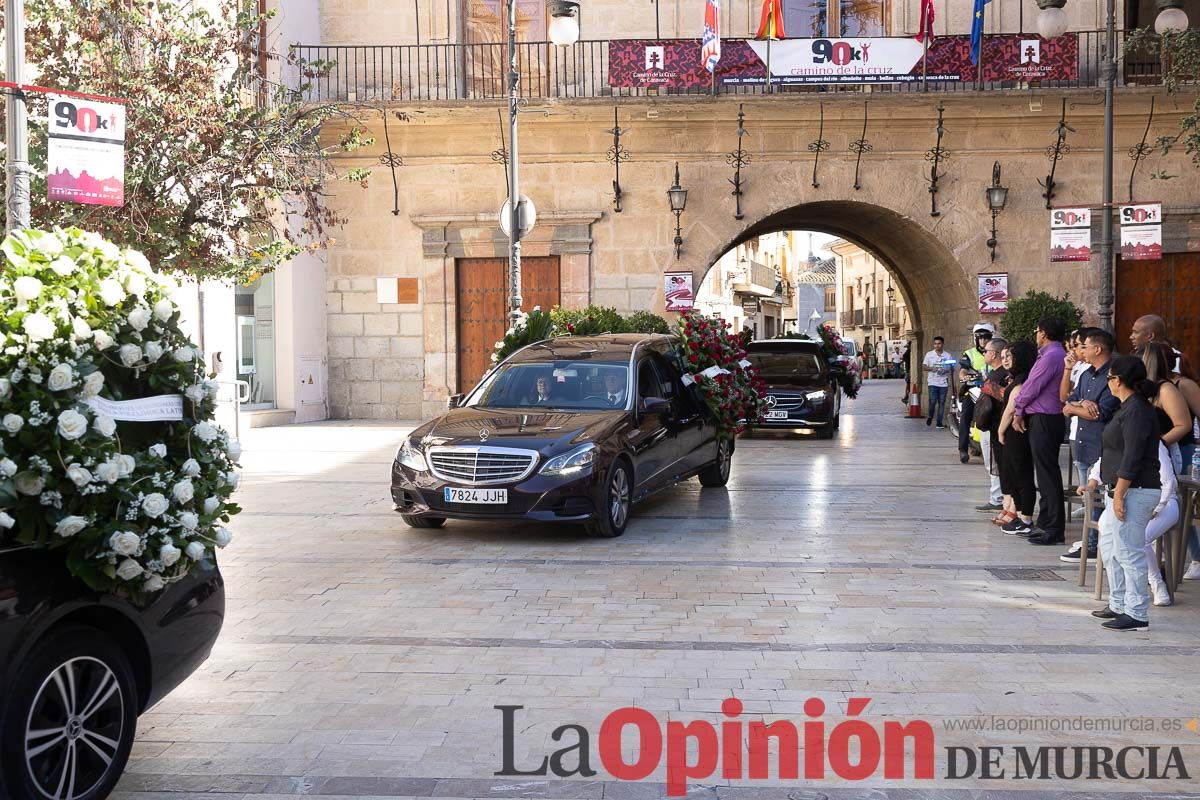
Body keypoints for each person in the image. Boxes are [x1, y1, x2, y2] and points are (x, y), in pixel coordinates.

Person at [1083, 355, 1162, 631]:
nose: (1108, 384)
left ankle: (1137, 612)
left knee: (1130, 551)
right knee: (1112, 547)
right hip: (1120, 490)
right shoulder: (1126, 408)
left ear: (1118, 380)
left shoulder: (1137, 411)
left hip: (1135, 490)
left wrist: (1119, 495)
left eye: (1109, 379)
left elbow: (1132, 457)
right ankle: (1118, 603)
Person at [1060, 329, 1119, 564]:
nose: (1079, 350)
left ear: (1097, 349)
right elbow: (1068, 399)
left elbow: (1101, 412)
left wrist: (1074, 408)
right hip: (1083, 442)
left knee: (1099, 498)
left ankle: (1096, 546)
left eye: (1083, 346)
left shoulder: (1112, 375)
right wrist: (1079, 404)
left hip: (1101, 443)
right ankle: (1091, 541)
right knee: (1088, 497)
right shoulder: (1086, 374)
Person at [1012, 317, 1068, 546]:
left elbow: (1032, 386)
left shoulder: (1052, 356)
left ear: (1043, 333)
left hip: (1046, 418)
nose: (1035, 335)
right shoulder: (1050, 355)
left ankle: (1054, 527)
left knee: (1047, 474)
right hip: (1044, 417)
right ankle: (1045, 521)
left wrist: (1018, 409)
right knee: (1044, 473)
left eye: (1037, 331)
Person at [998, 342, 1039, 535]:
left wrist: (1000, 429)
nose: (1006, 359)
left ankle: (1026, 518)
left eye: (1010, 356)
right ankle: (1021, 514)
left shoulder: (1023, 380)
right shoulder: (1017, 378)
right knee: (1013, 474)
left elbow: (1011, 408)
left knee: (1022, 475)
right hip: (1012, 435)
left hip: (1017, 433)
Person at [1140, 342, 1193, 474]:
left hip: (1169, 454)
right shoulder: (1144, 389)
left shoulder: (1166, 390)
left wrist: (1158, 445)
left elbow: (1184, 425)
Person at [973, 336, 1007, 514]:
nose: (984, 353)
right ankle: (998, 496)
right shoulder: (995, 372)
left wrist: (988, 389)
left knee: (994, 462)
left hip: (995, 425)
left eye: (986, 351)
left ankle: (998, 497)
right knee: (992, 462)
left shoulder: (1002, 374)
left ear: (994, 354)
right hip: (990, 425)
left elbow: (1007, 396)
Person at [956, 322, 995, 463]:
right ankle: (962, 449)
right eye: (980, 338)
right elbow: (963, 369)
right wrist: (964, 376)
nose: (983, 341)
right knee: (966, 415)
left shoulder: (997, 352)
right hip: (974, 389)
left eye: (986, 337)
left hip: (993, 390)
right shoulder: (969, 353)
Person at [1129, 314, 1194, 378]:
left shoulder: (1172, 359)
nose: (1131, 337)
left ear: (1151, 336)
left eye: (1136, 332)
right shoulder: (1139, 354)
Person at [922, 336, 952, 428]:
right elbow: (924, 366)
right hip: (932, 382)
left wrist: (945, 370)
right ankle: (930, 416)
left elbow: (950, 367)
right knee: (932, 401)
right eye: (935, 344)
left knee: (942, 402)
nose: (937, 345)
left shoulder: (947, 355)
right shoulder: (929, 354)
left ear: (942, 344)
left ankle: (939, 422)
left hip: (943, 382)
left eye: (939, 344)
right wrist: (932, 368)